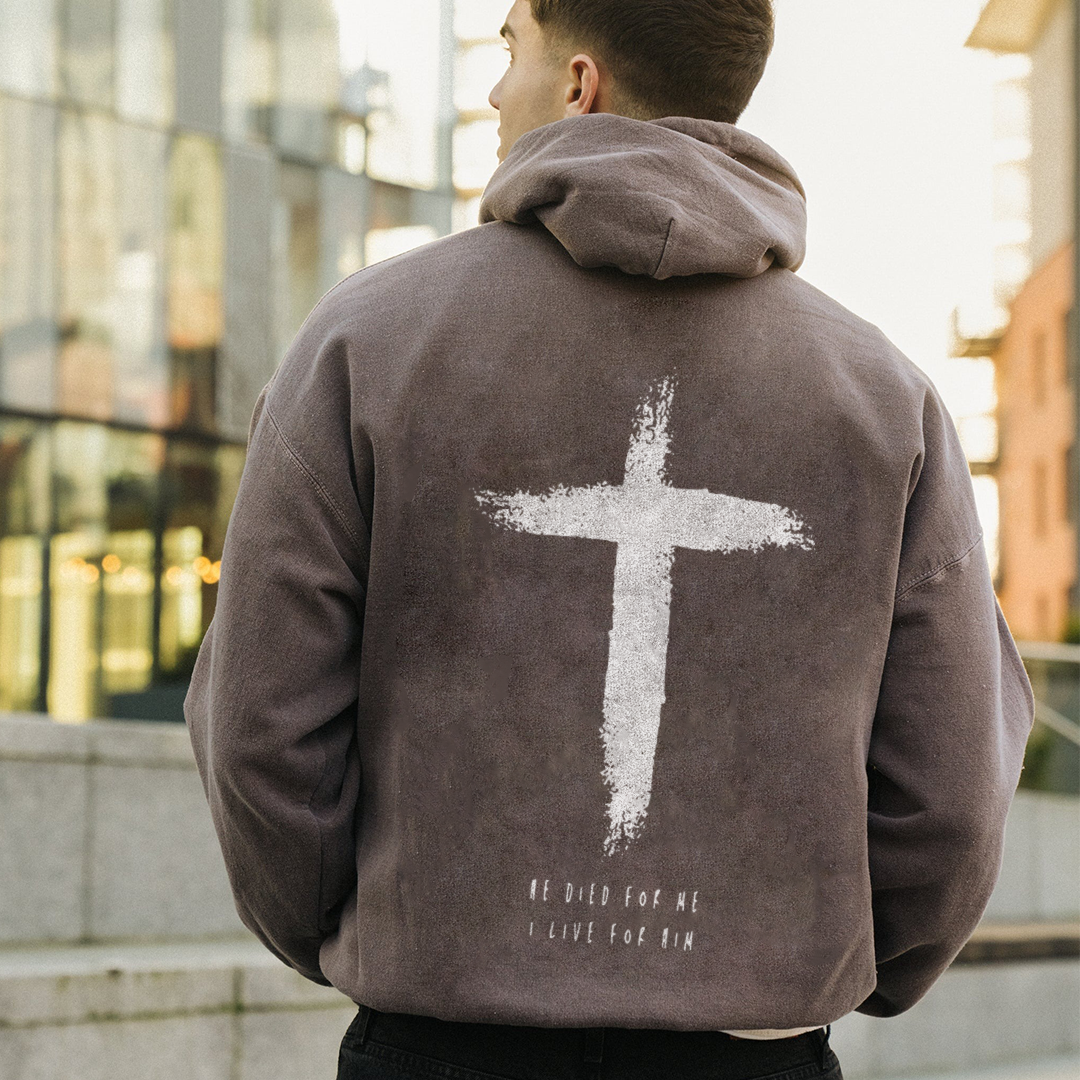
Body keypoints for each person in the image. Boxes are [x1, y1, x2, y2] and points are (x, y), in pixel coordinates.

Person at [184, 0, 1035, 1077]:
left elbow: (261, 724)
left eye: (510, 50)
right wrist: (844, 965)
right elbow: (950, 787)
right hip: (753, 1053)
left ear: (579, 83)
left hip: (441, 1044)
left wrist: (356, 927)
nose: (495, 91)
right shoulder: (883, 400)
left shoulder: (365, 343)